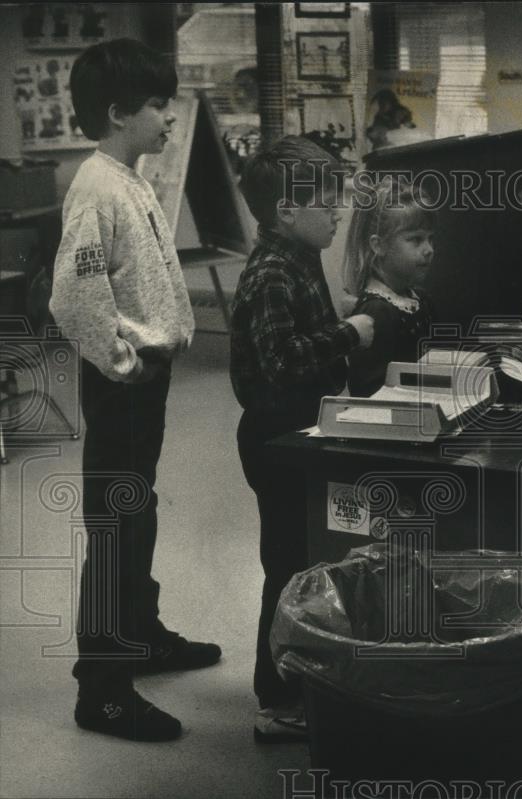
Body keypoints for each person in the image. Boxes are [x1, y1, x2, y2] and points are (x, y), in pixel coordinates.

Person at [50, 38, 221, 743]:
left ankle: (140, 633)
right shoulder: (95, 188)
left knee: (136, 513)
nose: (169, 118)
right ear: (121, 113)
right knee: (117, 526)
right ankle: (104, 686)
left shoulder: (130, 177)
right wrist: (122, 361)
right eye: (157, 105)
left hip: (143, 381)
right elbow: (74, 294)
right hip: (123, 381)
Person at [230, 135, 374, 742]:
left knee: (307, 555)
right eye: (328, 201)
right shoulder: (270, 274)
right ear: (287, 210)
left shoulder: (297, 254)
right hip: (276, 438)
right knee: (288, 565)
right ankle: (277, 699)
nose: (338, 213)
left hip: (302, 432)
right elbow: (283, 361)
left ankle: (299, 679)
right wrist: (350, 334)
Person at [343, 176, 437, 397]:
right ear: (379, 245)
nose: (429, 249)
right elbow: (368, 393)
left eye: (431, 239)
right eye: (416, 240)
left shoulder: (420, 300)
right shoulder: (377, 311)